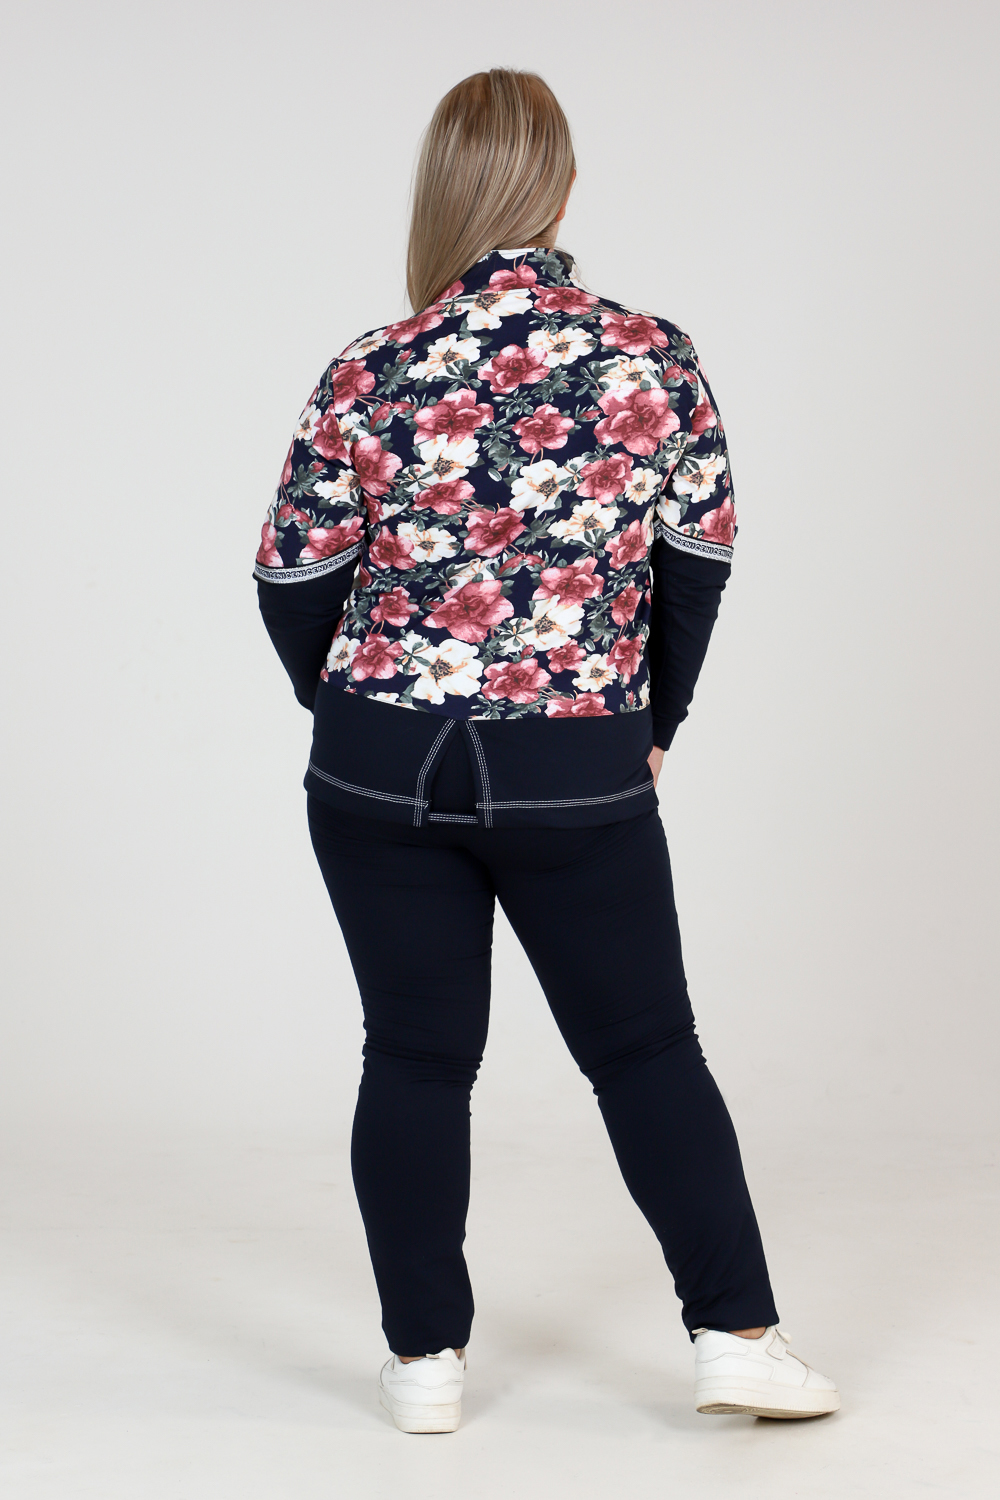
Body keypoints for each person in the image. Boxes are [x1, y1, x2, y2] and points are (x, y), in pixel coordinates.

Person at [254, 68, 839, 1434]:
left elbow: (291, 578)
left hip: (376, 764)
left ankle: (422, 1368)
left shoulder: (370, 365)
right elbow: (697, 569)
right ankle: (738, 1339)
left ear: (442, 188)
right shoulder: (652, 356)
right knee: (645, 1052)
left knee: (413, 1058)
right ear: (562, 188)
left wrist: (352, 704)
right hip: (576, 764)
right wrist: (651, 726)